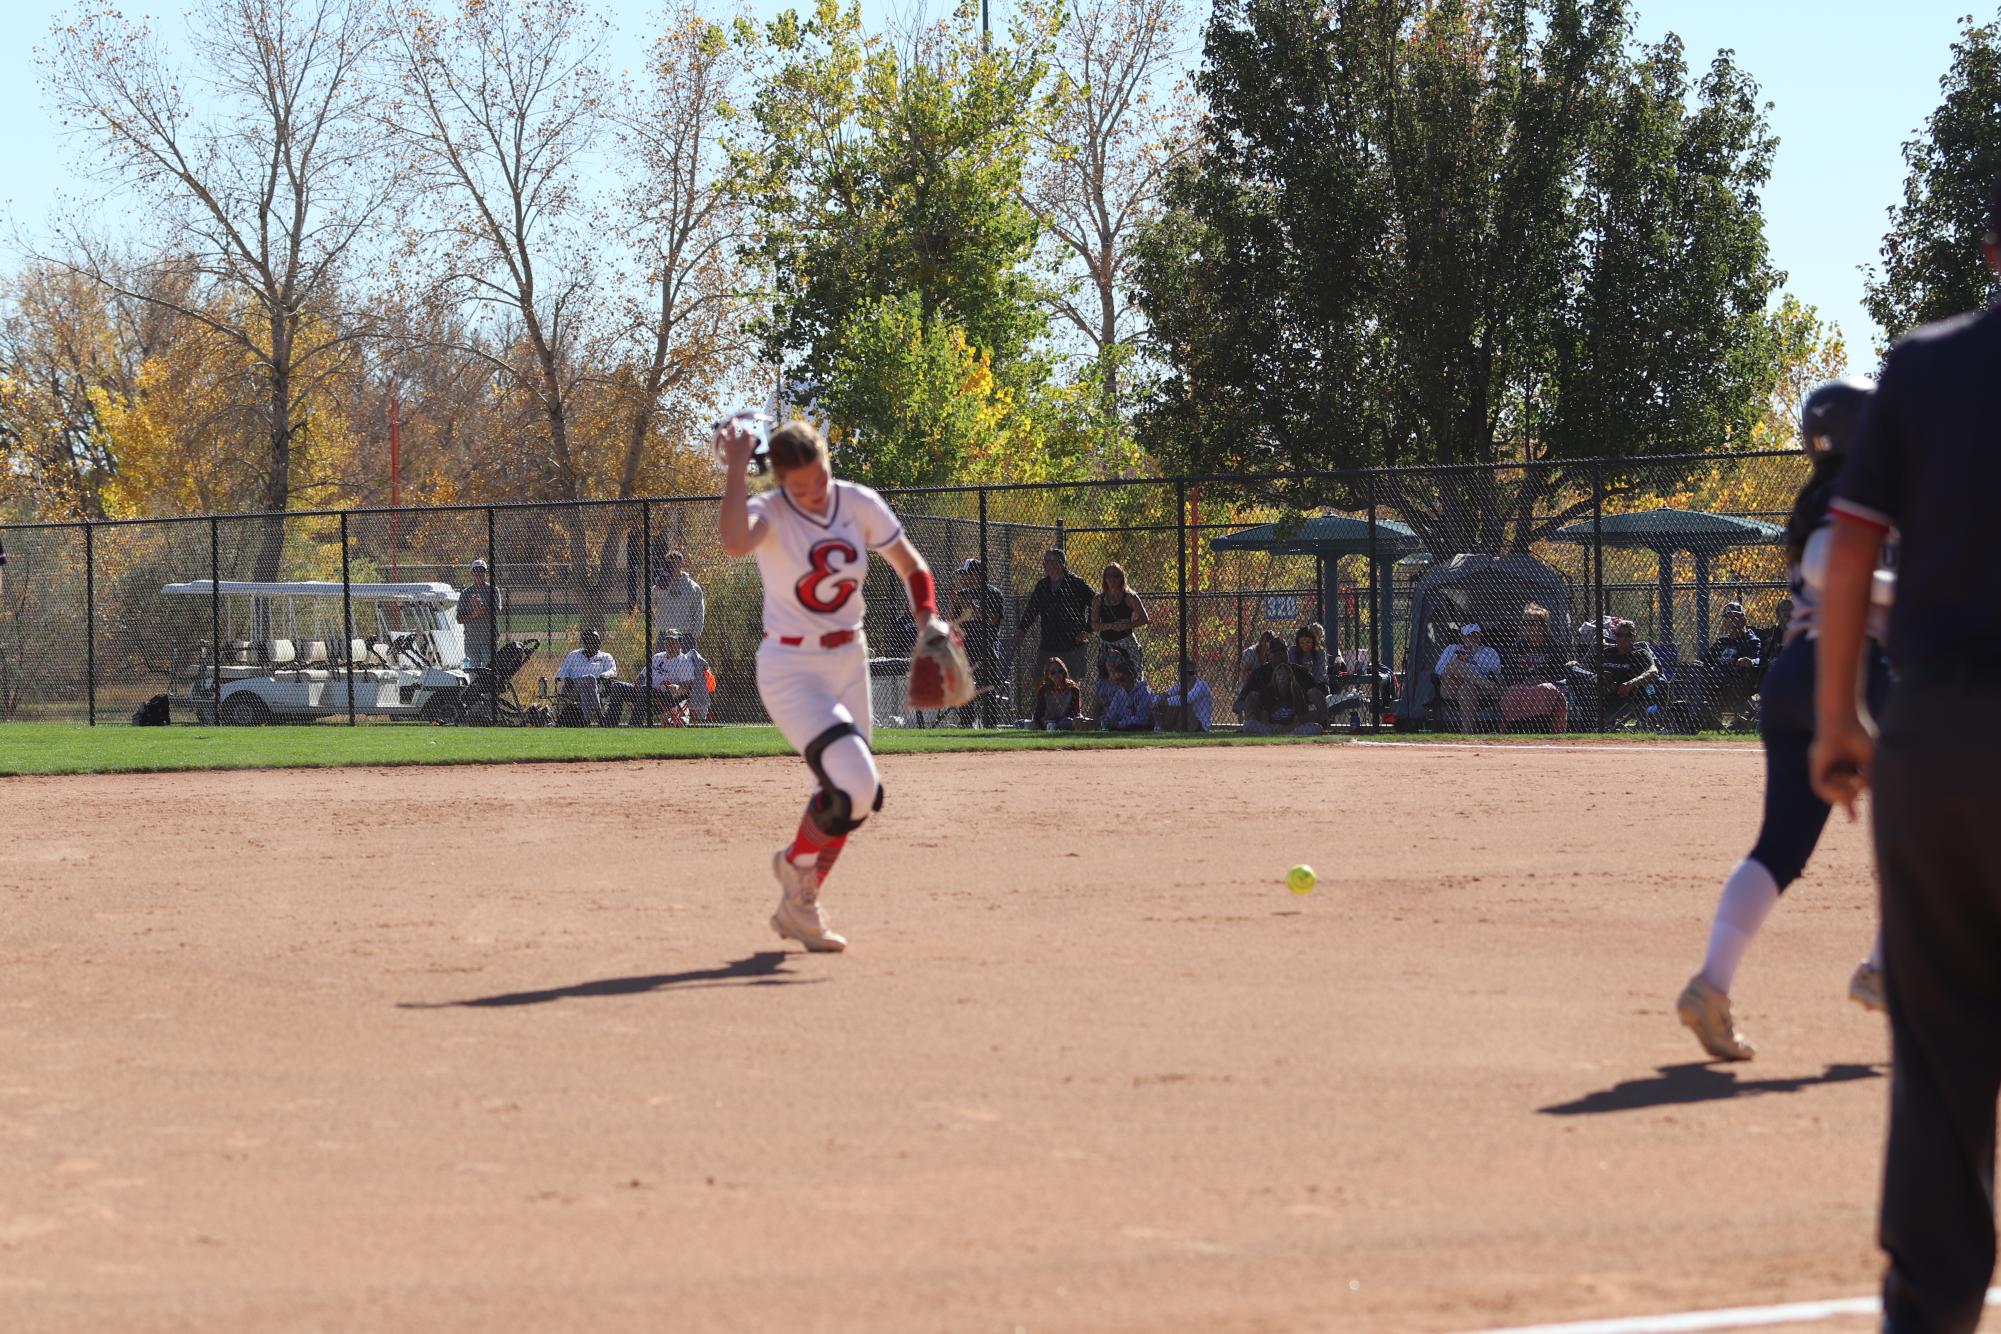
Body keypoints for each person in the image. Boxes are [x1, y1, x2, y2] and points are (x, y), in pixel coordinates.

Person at [1810, 186, 2001, 1334]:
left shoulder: (1923, 370)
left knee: (1939, 1047)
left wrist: (1840, 722)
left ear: (1989, 248)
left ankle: (1929, 1306)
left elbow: (1848, 555)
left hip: (1934, 740)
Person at [1675, 380, 1893, 1064]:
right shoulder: (1860, 497)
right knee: (1927, 833)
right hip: (1858, 675)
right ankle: (1885, 971)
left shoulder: (1816, 499)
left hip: (1793, 677)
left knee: (1780, 848)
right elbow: (1836, 566)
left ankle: (1710, 985)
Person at [718, 416, 939, 953]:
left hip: (849, 657)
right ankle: (797, 869)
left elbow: (911, 565)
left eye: (819, 477)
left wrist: (928, 618)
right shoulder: (770, 510)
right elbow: (733, 543)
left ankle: (799, 901)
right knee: (857, 782)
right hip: (791, 671)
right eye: (799, 486)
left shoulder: (856, 501)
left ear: (827, 461)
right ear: (779, 483)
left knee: (853, 799)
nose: (813, 493)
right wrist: (736, 471)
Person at [1016, 549, 1095, 687]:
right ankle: (1043, 706)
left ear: (1061, 564)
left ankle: (1073, 708)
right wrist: (1022, 629)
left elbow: (1096, 604)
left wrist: (1087, 629)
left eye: (1051, 561)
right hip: (1049, 641)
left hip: (1072, 642)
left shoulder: (1076, 583)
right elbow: (1031, 610)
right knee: (1039, 677)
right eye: (1046, 561)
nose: (1047, 564)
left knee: (1072, 681)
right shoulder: (1042, 585)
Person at [1680, 602, 1764, 728]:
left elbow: (1759, 659)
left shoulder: (1751, 640)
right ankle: (1696, 715)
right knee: (1694, 666)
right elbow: (1705, 660)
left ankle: (1697, 718)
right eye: (1729, 619)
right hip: (1713, 683)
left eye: (1736, 617)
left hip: (1734, 684)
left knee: (1696, 670)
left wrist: (1751, 661)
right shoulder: (1722, 641)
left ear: (1744, 621)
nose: (1733, 622)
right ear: (1724, 623)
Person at [948, 558, 1004, 727]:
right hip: (965, 648)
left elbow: (993, 620)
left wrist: (970, 605)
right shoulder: (962, 594)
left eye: (966, 574)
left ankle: (990, 724)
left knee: (987, 688)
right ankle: (966, 722)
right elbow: (950, 622)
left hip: (985, 648)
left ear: (977, 575)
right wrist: (953, 603)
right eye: (963, 575)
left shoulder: (993, 593)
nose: (963, 578)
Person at [1501, 603, 1570, 732]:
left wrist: (1540, 678)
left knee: (1544, 688)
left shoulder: (1555, 646)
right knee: (1514, 690)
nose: (1527, 627)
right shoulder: (1518, 647)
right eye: (1525, 623)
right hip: (1523, 684)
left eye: (1531, 623)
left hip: (1547, 683)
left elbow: (1560, 671)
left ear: (1542, 626)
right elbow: (1509, 671)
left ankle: (1538, 726)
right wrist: (1525, 680)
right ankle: (1513, 728)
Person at [1089, 562, 1151, 682]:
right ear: (1105, 579)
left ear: (1121, 578)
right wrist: (1111, 626)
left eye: (1116, 575)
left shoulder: (1129, 597)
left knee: (1134, 677)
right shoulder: (1099, 600)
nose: (1112, 579)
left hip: (1126, 642)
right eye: (1109, 576)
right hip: (1106, 644)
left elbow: (1144, 619)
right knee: (1105, 678)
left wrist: (1128, 625)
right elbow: (1094, 625)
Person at [1434, 624, 1502, 732]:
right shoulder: (1451, 648)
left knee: (1466, 688)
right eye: (1468, 636)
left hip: (1475, 689)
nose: (1471, 638)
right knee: (1455, 665)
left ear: (1480, 636)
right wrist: (1462, 666)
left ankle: (1466, 732)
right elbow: (1439, 670)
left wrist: (1474, 654)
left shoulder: (1488, 651)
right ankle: (1490, 686)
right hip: (1451, 686)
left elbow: (1495, 669)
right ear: (1462, 637)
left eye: (1475, 635)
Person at [1593, 621, 1662, 723]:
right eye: (1620, 635)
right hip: (1599, 692)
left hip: (1626, 696)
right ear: (1615, 636)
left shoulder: (1640, 654)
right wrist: (1576, 663)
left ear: (1633, 637)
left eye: (1628, 635)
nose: (1624, 638)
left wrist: (1631, 683)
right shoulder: (1607, 653)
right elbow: (1587, 667)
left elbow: (1654, 672)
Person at [555, 628, 624, 726]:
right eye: (591, 641)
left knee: (590, 681)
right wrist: (566, 678)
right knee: (590, 679)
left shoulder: (605, 656)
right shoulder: (573, 655)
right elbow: (561, 671)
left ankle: (586, 720)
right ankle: (599, 715)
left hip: (598, 688)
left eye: (597, 640)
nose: (595, 643)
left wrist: (603, 676)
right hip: (574, 688)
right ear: (584, 643)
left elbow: (613, 671)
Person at [641, 628, 711, 725]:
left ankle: (635, 725)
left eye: (673, 641)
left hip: (664, 696)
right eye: (668, 641)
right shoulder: (657, 657)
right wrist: (636, 685)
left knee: (644, 691)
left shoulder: (684, 661)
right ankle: (613, 724)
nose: (669, 644)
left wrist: (677, 688)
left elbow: (687, 687)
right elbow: (642, 675)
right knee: (618, 686)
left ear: (679, 643)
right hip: (646, 691)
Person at [1241, 649, 1318, 735]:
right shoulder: (1269, 692)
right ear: (1275, 677)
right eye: (1279, 675)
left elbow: (1299, 719)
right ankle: (1272, 735)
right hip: (1273, 728)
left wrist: (1287, 728)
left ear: (1290, 678)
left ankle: (1289, 735)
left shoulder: (1296, 692)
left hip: (1292, 729)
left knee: (1316, 727)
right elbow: (1264, 718)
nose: (1282, 678)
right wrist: (1274, 728)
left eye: (1285, 675)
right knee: (1248, 725)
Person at [649, 551, 706, 649]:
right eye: (668, 564)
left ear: (681, 564)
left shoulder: (692, 587)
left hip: (685, 636)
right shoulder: (660, 585)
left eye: (673, 563)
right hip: (664, 636)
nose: (670, 567)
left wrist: (693, 635)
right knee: (661, 664)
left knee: (686, 664)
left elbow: (699, 612)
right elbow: (645, 606)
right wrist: (656, 590)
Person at [1091, 650, 1154, 732]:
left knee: (1135, 726)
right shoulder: (1120, 693)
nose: (1119, 683)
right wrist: (1107, 721)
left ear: (1131, 676)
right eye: (1117, 680)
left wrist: (1118, 724)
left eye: (1122, 679)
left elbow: (1142, 719)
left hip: (1139, 728)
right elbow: (1111, 714)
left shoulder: (1143, 691)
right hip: (1121, 726)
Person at [455, 558, 502, 669]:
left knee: (488, 671)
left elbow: (497, 610)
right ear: (472, 573)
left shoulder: (493, 590)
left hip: (489, 640)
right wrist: (473, 614)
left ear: (486, 573)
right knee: (472, 671)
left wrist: (480, 606)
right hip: (471, 642)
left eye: (481, 570)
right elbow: (459, 619)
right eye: (476, 571)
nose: (479, 573)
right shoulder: (466, 593)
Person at [1151, 659, 1214, 733]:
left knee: (1182, 703)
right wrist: (1157, 701)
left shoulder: (1201, 685)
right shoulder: (1180, 685)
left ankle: (1168, 728)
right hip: (1182, 721)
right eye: (1183, 672)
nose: (1186, 674)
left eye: (1189, 672)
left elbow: (1188, 699)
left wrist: (1164, 701)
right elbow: (1166, 694)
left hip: (1200, 724)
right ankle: (1161, 727)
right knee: (1167, 700)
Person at [1289, 623, 1332, 723]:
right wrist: (1304, 671)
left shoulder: (1320, 652)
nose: (1305, 645)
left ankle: (1323, 718)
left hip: (1318, 684)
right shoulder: (1293, 651)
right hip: (1299, 684)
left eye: (1308, 642)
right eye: (1302, 642)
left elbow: (1320, 674)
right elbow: (1292, 670)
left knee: (1313, 691)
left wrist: (1306, 673)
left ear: (1313, 641)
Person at [1031, 656, 1085, 731]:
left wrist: (1057, 721)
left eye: (1060, 671)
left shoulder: (1073, 690)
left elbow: (1074, 713)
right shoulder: (1043, 690)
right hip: (1048, 722)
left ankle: (1055, 727)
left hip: (1066, 721)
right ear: (1048, 675)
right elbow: (1038, 714)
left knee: (1071, 722)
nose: (1057, 675)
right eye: (1053, 672)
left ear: (1064, 672)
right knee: (1028, 724)